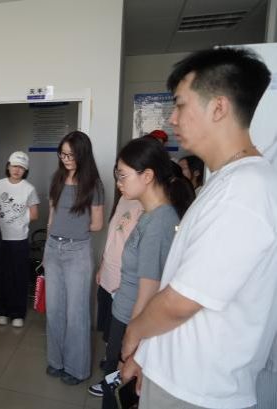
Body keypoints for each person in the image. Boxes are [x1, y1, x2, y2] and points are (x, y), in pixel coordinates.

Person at [120, 47, 277, 409]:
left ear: (218, 107)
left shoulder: (245, 191)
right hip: (178, 376)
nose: (172, 118)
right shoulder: (226, 182)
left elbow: (181, 302)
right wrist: (149, 356)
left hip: (195, 389)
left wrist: (135, 332)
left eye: (180, 105)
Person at [93, 137, 194, 406]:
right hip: (125, 315)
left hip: (132, 322)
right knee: (113, 387)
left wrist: (131, 341)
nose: (118, 182)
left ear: (147, 176)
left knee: (118, 393)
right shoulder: (149, 215)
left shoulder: (160, 222)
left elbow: (148, 292)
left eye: (123, 175)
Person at [44, 131, 105, 385]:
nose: (66, 159)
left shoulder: (93, 185)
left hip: (77, 251)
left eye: (71, 155)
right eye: (63, 154)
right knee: (54, 310)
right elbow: (51, 216)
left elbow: (97, 224)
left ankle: (76, 368)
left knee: (76, 313)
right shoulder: (57, 178)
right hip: (52, 248)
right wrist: (50, 240)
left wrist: (73, 228)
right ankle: (56, 361)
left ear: (83, 154)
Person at [89, 191, 144, 396]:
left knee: (119, 333)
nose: (120, 183)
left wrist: (129, 284)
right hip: (108, 273)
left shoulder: (146, 207)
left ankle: (113, 383)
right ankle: (109, 363)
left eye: (124, 177)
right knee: (107, 326)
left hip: (124, 280)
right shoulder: (123, 199)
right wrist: (102, 265)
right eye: (118, 177)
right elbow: (113, 236)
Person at [0, 151, 39, 328]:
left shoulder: (29, 188)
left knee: (19, 277)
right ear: (8, 166)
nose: (17, 170)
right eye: (14, 166)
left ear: (25, 170)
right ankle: (1, 311)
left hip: (19, 239)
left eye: (21, 167)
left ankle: (17, 313)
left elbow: (34, 214)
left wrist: (18, 220)